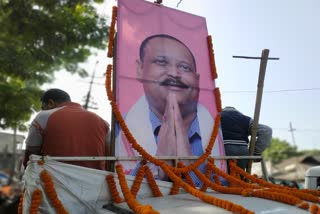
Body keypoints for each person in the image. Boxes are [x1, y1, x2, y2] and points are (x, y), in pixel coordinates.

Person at [117, 34, 226, 184]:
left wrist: (187, 170)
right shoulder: (119, 128)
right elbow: (121, 190)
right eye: (161, 62)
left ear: (197, 79)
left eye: (184, 67)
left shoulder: (217, 128)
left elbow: (224, 185)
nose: (174, 74)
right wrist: (159, 167)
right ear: (140, 69)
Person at [23, 89, 110, 170]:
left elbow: (31, 153)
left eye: (43, 108)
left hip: (53, 179)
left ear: (50, 103)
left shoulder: (43, 116)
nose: (42, 111)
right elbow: (110, 154)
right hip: (95, 181)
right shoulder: (103, 122)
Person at [220, 106, 272, 170]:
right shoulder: (246, 119)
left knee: (220, 176)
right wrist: (255, 153)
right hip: (243, 151)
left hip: (222, 149)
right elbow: (266, 131)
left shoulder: (217, 116)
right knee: (239, 176)